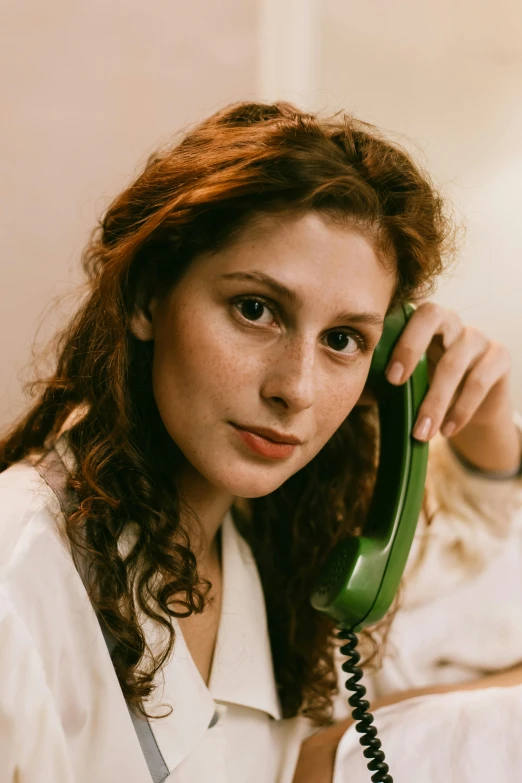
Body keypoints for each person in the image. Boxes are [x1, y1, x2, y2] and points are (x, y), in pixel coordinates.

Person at [0, 100, 521, 783]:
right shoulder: (18, 579)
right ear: (148, 297)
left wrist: (482, 428)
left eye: (343, 339)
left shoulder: (280, 546)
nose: (296, 389)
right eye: (256, 309)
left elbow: (482, 601)